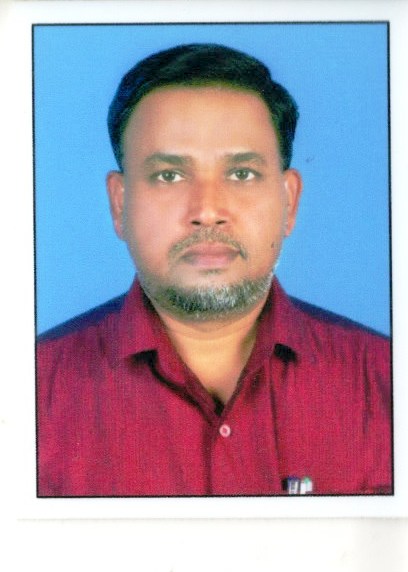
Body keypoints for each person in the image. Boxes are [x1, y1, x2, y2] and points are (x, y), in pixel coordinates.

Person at [36, 43, 391, 497]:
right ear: (119, 203)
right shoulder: (30, 391)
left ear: (289, 201)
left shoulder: (384, 381)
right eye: (169, 175)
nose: (206, 211)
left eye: (242, 174)